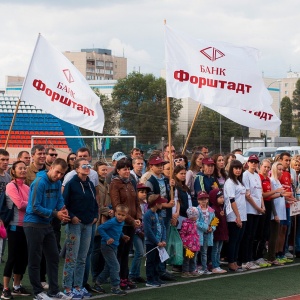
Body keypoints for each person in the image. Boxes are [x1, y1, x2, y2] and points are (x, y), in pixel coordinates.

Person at [23, 158, 72, 300]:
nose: (59, 176)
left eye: (62, 174)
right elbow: (34, 207)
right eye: (57, 172)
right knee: (35, 258)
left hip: (47, 224)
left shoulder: (57, 183)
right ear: (50, 168)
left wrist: (63, 209)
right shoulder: (39, 182)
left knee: (53, 257)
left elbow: (59, 200)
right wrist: (55, 213)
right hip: (33, 224)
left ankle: (54, 291)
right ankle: (37, 292)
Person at [62, 158, 98, 299]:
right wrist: (72, 216)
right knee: (72, 257)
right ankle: (67, 287)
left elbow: (95, 202)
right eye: (84, 165)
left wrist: (95, 215)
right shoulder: (71, 184)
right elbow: (64, 203)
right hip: (75, 224)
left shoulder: (90, 183)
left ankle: (78, 286)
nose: (87, 167)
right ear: (76, 168)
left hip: (88, 224)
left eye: (88, 165)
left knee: (82, 257)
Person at [110, 159, 142, 290]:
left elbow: (136, 202)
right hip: (121, 224)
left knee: (126, 252)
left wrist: (138, 217)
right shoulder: (115, 184)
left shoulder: (131, 182)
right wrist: (130, 219)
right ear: (118, 170)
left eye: (129, 169)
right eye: (124, 169)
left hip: (132, 223)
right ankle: (118, 279)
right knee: (120, 253)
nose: (127, 171)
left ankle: (125, 277)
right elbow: (117, 205)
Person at [2, 161, 31, 299]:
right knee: (12, 257)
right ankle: (6, 288)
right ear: (13, 171)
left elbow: (29, 205)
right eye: (20, 168)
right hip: (14, 226)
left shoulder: (27, 187)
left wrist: (31, 204)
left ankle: (17, 286)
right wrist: (33, 204)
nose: (23, 170)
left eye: (25, 168)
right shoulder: (10, 185)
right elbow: (20, 204)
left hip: (27, 227)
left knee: (23, 258)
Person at [93, 204, 130, 296]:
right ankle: (115, 287)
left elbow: (118, 230)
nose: (120, 217)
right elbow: (100, 228)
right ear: (115, 213)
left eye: (123, 215)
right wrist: (107, 238)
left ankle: (98, 283)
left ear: (126, 216)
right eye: (119, 214)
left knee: (109, 267)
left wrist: (123, 236)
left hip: (114, 246)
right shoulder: (112, 221)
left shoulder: (120, 223)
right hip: (106, 246)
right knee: (115, 266)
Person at [240, 154, 264, 270]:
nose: (254, 164)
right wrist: (258, 207)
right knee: (248, 235)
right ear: (248, 163)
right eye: (252, 162)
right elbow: (248, 195)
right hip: (250, 210)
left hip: (257, 210)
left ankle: (250, 258)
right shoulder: (246, 175)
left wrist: (262, 206)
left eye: (256, 162)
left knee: (253, 235)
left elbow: (260, 193)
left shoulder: (257, 175)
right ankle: (245, 260)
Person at [91, 161, 113, 288]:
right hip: (98, 218)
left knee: (103, 249)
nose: (105, 172)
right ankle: (95, 275)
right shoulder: (95, 184)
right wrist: (107, 210)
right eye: (102, 170)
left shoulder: (107, 184)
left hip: (105, 219)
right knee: (96, 250)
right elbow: (97, 203)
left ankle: (101, 275)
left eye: (106, 170)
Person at [223, 159, 247, 272]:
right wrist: (237, 216)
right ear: (232, 169)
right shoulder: (230, 183)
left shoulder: (239, 181)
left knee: (239, 240)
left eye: (239, 168)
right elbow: (232, 200)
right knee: (233, 240)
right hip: (233, 216)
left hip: (243, 214)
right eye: (236, 168)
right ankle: (231, 262)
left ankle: (236, 261)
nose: (238, 170)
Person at [143, 194, 167, 287]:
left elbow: (163, 227)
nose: (162, 204)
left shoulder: (158, 214)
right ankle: (150, 279)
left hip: (159, 243)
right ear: (156, 203)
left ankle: (156, 277)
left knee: (157, 260)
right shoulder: (148, 215)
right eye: (160, 202)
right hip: (152, 243)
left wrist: (163, 239)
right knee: (151, 261)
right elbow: (148, 231)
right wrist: (157, 242)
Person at [129, 183, 151, 283]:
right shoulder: (133, 204)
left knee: (141, 253)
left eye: (145, 192)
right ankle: (132, 274)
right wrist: (138, 230)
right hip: (136, 231)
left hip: (143, 231)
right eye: (141, 192)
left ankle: (136, 274)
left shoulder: (146, 204)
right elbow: (134, 218)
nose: (144, 194)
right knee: (139, 252)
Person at [268, 162, 287, 266]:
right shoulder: (272, 181)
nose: (281, 171)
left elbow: (280, 196)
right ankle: (271, 257)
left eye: (282, 169)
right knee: (273, 235)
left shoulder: (278, 181)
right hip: (275, 213)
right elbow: (271, 198)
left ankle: (274, 255)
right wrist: (275, 214)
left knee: (277, 234)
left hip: (280, 211)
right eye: (279, 169)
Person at [196, 191, 216, 275]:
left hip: (208, 233)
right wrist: (206, 227)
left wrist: (212, 228)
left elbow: (214, 221)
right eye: (201, 199)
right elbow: (196, 221)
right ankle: (195, 268)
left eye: (205, 199)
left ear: (208, 200)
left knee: (204, 251)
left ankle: (205, 268)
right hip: (199, 233)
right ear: (198, 201)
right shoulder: (196, 210)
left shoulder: (211, 210)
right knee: (196, 251)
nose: (203, 201)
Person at [209, 189, 228, 274]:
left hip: (221, 233)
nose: (222, 199)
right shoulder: (214, 209)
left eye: (223, 197)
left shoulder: (221, 208)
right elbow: (214, 222)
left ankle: (217, 265)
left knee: (218, 250)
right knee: (215, 249)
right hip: (217, 233)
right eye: (220, 197)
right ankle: (215, 266)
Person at [179, 207, 200, 278]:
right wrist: (184, 242)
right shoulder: (186, 223)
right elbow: (182, 233)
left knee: (193, 258)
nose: (196, 217)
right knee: (187, 258)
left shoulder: (194, 223)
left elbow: (196, 233)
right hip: (188, 244)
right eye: (195, 215)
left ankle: (192, 270)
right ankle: (185, 271)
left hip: (194, 243)